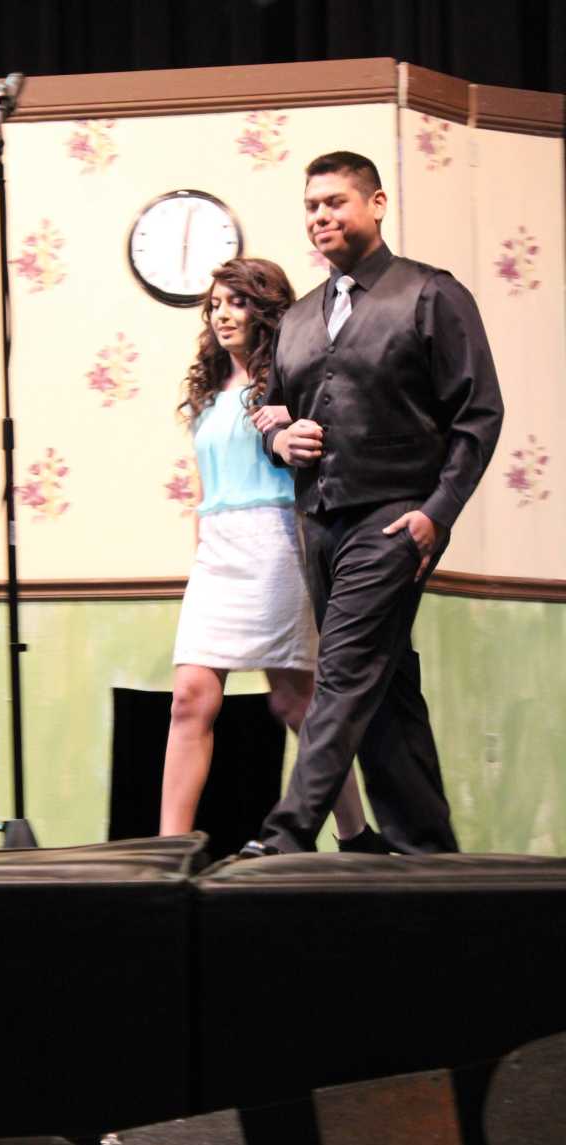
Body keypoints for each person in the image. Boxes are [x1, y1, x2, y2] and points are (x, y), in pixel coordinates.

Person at [242, 152, 504, 858]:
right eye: (311, 206)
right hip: (318, 526)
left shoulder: (432, 294)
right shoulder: (299, 318)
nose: (320, 216)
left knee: (344, 669)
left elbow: (479, 414)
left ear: (377, 204)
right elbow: (272, 416)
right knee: (386, 686)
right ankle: (427, 848)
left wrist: (437, 512)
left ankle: (287, 833)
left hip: (394, 519)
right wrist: (279, 440)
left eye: (335, 201)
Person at [160, 256, 386, 853]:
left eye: (236, 302)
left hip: (276, 542)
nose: (222, 315)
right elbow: (205, 487)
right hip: (217, 552)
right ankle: (167, 849)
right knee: (190, 697)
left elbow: (318, 453)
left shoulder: (290, 378)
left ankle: (355, 834)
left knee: (295, 700)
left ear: (262, 309)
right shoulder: (208, 391)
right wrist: (199, 554)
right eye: (214, 305)